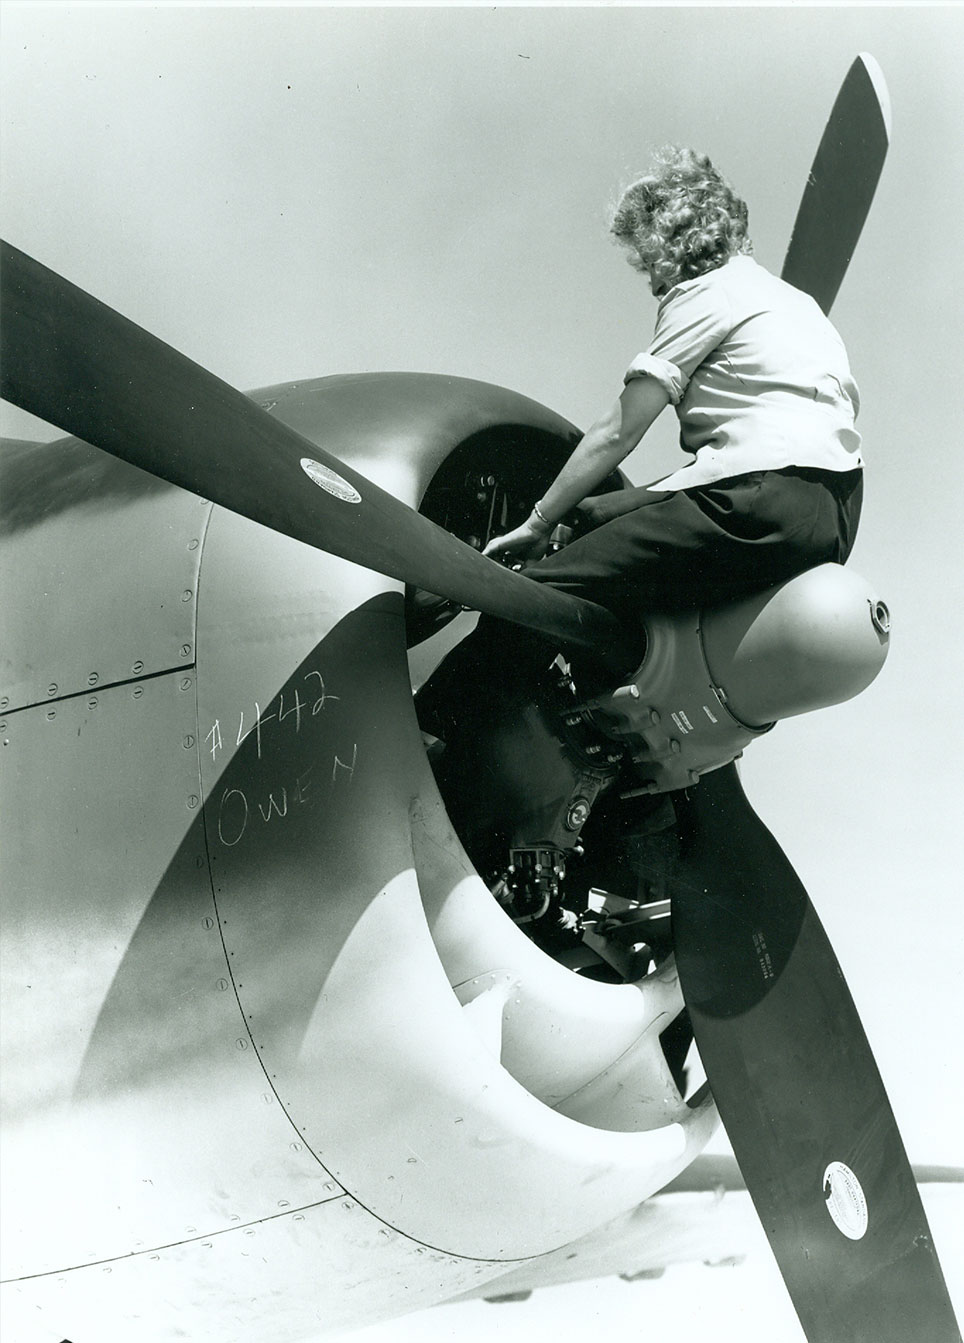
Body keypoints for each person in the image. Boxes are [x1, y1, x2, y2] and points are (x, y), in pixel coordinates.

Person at [417, 146, 864, 734]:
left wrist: (537, 523)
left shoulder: (705, 293)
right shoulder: (800, 307)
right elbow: (755, 457)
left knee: (533, 601)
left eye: (646, 258)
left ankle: (432, 729)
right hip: (834, 516)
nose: (651, 279)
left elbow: (620, 430)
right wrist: (599, 511)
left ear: (668, 239)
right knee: (610, 535)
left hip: (753, 499)